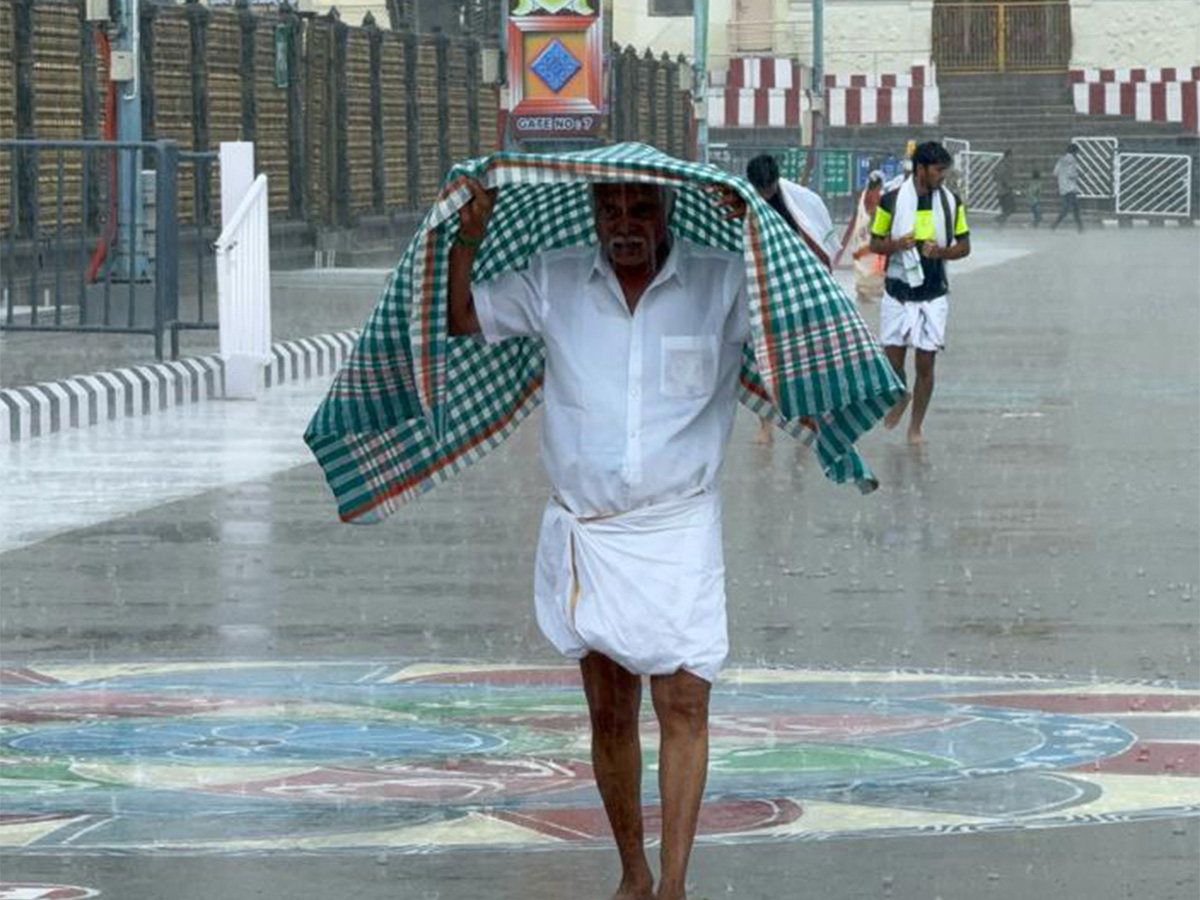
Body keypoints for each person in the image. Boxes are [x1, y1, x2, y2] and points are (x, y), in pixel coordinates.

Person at [447, 179, 755, 900]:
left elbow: (800, 321)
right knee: (610, 712)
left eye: (641, 210)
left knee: (683, 705)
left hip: (678, 527)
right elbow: (462, 316)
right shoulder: (555, 280)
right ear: (592, 215)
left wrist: (760, 236)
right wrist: (466, 236)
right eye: (610, 212)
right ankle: (632, 872)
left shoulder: (721, 283)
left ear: (667, 213)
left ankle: (675, 883)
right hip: (591, 531)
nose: (625, 226)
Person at [869, 141, 971, 445]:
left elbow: (964, 248)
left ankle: (916, 428)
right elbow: (875, 244)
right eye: (939, 170)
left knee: (925, 365)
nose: (943, 176)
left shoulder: (952, 203)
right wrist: (897, 245)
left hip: (933, 294)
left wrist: (940, 251)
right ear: (922, 168)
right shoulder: (890, 201)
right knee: (892, 364)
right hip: (898, 293)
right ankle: (901, 397)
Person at [745, 153, 840, 443]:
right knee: (764, 358)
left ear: (775, 182)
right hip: (762, 286)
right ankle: (765, 425)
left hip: (796, 286)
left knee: (805, 357)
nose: (764, 195)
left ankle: (808, 418)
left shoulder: (797, 201)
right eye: (759, 190)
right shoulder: (744, 201)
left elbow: (816, 233)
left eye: (768, 189)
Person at [847, 170, 887, 305]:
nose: (876, 192)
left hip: (872, 255)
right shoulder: (863, 202)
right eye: (874, 188)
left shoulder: (880, 205)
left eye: (878, 189)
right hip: (863, 251)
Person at [1052, 143, 1084, 232]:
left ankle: (1080, 228)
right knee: (1072, 209)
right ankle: (1054, 226)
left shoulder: (1061, 159)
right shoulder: (1072, 160)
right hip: (1070, 188)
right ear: (1074, 152)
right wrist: (1078, 175)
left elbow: (1055, 172)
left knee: (1070, 208)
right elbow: (1071, 174)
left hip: (1062, 187)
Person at [996, 148, 1016, 227]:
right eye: (1011, 156)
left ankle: (1000, 226)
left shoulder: (1006, 165)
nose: (1012, 158)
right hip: (1004, 191)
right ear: (1008, 156)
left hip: (1005, 190)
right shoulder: (1003, 165)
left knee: (1007, 210)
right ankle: (998, 219)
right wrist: (1009, 185)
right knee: (1010, 209)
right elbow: (1001, 177)